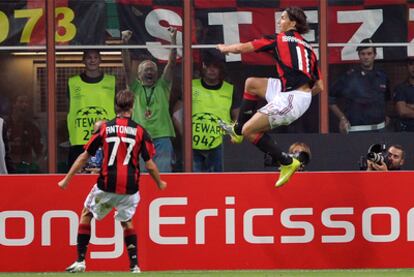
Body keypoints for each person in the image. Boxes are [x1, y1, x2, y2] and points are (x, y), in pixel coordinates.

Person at [58, 90, 167, 273]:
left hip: (107, 185)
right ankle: (134, 265)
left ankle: (80, 261)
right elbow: (149, 165)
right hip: (130, 189)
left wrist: (66, 179)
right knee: (127, 221)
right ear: (132, 107)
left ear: (115, 106)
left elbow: (84, 157)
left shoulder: (105, 128)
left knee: (87, 213)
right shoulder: (140, 131)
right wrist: (160, 183)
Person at [217, 7, 323, 187]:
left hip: (292, 97)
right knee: (251, 83)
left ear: (293, 23)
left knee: (249, 131)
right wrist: (303, 96)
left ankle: (287, 162)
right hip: (293, 92)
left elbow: (245, 47)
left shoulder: (279, 39)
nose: (278, 21)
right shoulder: (309, 49)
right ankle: (237, 129)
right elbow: (320, 86)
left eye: (282, 18)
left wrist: (224, 48)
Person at [122, 27, 177, 172]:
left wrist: (173, 40)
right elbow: (127, 68)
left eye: (152, 69)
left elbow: (171, 65)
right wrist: (124, 44)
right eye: (146, 70)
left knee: (163, 173)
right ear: (139, 75)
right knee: (141, 176)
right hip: (139, 137)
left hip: (162, 137)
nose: (150, 72)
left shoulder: (163, 86)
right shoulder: (135, 88)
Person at [329, 38, 391, 133]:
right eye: (363, 54)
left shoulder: (382, 76)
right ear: (359, 55)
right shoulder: (349, 76)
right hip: (357, 131)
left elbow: (387, 99)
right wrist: (342, 118)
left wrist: (385, 115)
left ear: (374, 55)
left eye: (369, 54)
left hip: (380, 130)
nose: (366, 57)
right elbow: (330, 98)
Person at [67, 49, 116, 167]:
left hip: (105, 138)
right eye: (89, 57)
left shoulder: (111, 81)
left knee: (107, 178)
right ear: (83, 60)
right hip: (80, 140)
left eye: (95, 57)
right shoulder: (73, 83)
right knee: (77, 178)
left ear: (100, 60)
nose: (92, 60)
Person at [192, 57, 239, 172]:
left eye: (215, 66)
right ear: (203, 68)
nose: (212, 70)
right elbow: (178, 111)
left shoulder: (229, 89)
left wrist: (233, 135)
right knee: (194, 182)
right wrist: (184, 134)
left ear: (220, 69)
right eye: (208, 66)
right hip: (193, 143)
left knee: (217, 182)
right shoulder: (191, 86)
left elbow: (236, 116)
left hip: (220, 142)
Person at [7, 95, 43, 173]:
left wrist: (34, 165)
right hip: (7, 168)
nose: (24, 105)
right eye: (21, 102)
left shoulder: (32, 127)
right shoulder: (4, 125)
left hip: (26, 169)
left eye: (26, 102)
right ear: (13, 104)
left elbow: (40, 152)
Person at [393, 57, 414, 132]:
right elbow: (402, 111)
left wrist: (410, 106)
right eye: (411, 64)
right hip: (407, 131)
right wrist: (406, 107)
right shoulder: (400, 88)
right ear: (407, 66)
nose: (413, 67)